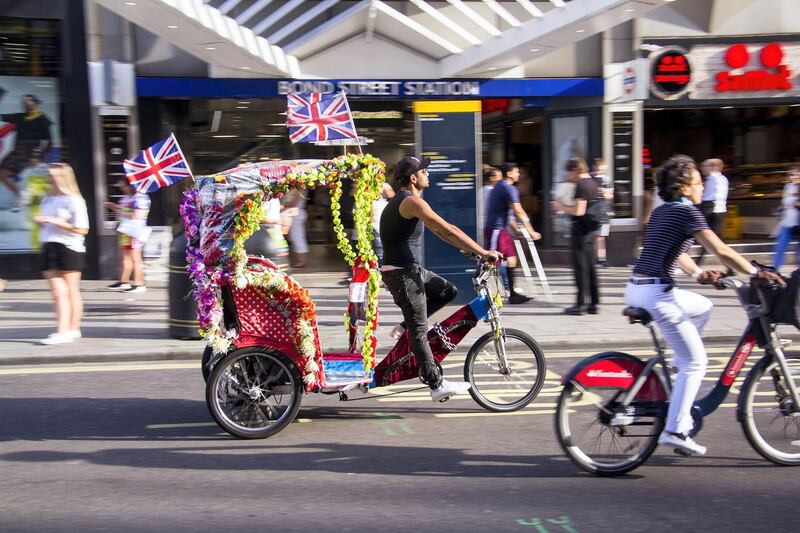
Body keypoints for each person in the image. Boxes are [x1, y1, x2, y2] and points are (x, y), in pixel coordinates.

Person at [625, 154, 783, 456]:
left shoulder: (664, 211)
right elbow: (721, 250)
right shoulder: (688, 213)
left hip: (638, 289)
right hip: (657, 294)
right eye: (699, 181)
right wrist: (756, 273)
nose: (703, 186)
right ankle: (675, 430)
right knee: (697, 362)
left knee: (702, 306)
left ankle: (677, 364)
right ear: (685, 187)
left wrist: (699, 274)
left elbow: (678, 254)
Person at [380, 156, 501, 402]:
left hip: (408, 270)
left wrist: (467, 250)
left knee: (447, 291)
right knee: (420, 332)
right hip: (403, 274)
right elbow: (448, 229)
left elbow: (441, 232)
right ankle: (436, 384)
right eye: (424, 171)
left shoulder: (404, 201)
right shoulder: (410, 201)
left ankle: (406, 325)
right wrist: (483, 252)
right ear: (413, 178)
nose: (428, 174)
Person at [34, 163, 90, 345]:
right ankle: (69, 329)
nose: (49, 179)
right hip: (48, 245)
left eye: (53, 176)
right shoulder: (47, 199)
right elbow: (49, 222)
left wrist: (58, 222)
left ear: (63, 178)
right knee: (59, 291)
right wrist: (42, 222)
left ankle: (67, 330)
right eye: (49, 176)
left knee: (67, 291)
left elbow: (82, 229)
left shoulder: (74, 200)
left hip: (68, 247)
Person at [484, 162, 541, 304]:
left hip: (502, 229)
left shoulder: (501, 186)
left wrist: (515, 228)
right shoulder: (508, 188)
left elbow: (507, 213)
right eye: (516, 172)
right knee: (491, 261)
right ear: (509, 173)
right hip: (496, 229)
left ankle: (512, 293)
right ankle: (479, 287)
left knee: (511, 260)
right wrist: (531, 231)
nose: (519, 174)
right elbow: (519, 211)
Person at [553, 158, 600, 315]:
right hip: (592, 230)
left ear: (575, 170)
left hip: (581, 231)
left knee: (580, 268)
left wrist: (561, 207)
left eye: (569, 172)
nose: (568, 175)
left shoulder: (582, 185)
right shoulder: (593, 183)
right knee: (591, 267)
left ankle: (580, 305)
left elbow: (579, 211)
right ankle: (594, 303)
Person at [0, 94, 52, 201]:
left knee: (4, 174)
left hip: (29, 152)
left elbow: (48, 142)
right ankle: (21, 195)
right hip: (18, 150)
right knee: (3, 174)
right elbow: (3, 116)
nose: (24, 104)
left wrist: (37, 156)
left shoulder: (42, 120)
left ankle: (21, 196)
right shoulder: (21, 117)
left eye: (27, 101)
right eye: (23, 102)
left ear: (35, 103)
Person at [105, 179, 151, 293]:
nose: (123, 189)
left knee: (136, 258)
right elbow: (125, 212)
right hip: (125, 230)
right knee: (125, 257)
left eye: (124, 187)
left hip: (135, 230)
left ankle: (139, 284)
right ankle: (124, 282)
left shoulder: (141, 198)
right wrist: (114, 207)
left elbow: (136, 215)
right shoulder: (129, 198)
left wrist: (119, 210)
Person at [695, 158, 728, 265]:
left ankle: (697, 263)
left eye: (705, 166)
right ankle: (729, 267)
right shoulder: (718, 179)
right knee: (713, 240)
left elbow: (712, 197)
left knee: (711, 240)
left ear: (712, 167)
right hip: (716, 210)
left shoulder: (715, 179)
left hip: (713, 211)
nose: (702, 169)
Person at [772, 167, 800, 269]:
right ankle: (775, 270)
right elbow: (785, 202)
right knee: (780, 247)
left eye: (797, 174)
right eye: (792, 175)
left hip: (798, 222)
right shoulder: (788, 186)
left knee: (799, 251)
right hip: (787, 222)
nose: (795, 177)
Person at [592, 158, 613, 267]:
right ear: (594, 168)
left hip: (603, 209)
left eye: (602, 171)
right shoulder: (590, 178)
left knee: (601, 235)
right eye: (598, 171)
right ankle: (597, 259)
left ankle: (601, 259)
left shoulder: (607, 180)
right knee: (596, 235)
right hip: (592, 209)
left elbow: (610, 196)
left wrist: (604, 192)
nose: (600, 173)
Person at [284, 189, 309, 268]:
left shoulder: (298, 188)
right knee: (293, 237)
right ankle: (299, 260)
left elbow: (293, 202)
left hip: (296, 213)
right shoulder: (294, 188)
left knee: (297, 237)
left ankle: (301, 261)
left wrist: (280, 204)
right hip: (291, 213)